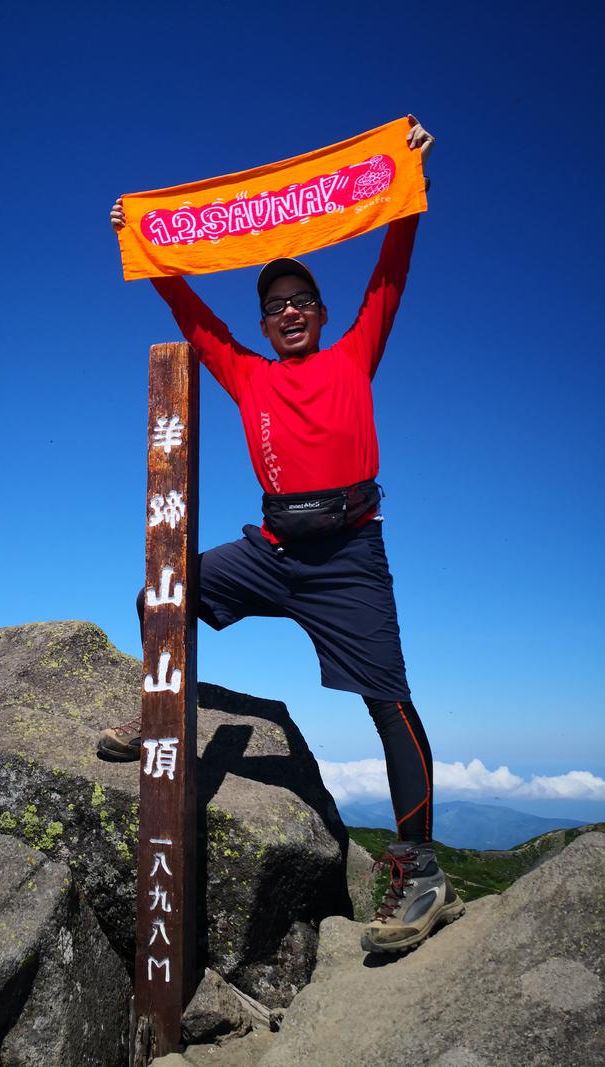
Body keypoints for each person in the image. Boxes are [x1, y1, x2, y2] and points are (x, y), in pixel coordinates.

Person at [99, 116, 465, 954]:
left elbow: (391, 270)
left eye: (302, 303)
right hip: (272, 553)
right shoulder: (249, 374)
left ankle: (420, 866)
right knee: (165, 590)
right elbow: (194, 318)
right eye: (275, 307)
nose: (290, 313)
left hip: (349, 559)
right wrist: (147, 245)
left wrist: (409, 182)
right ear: (262, 325)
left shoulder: (353, 353)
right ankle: (164, 711)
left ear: (322, 312)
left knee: (389, 701)